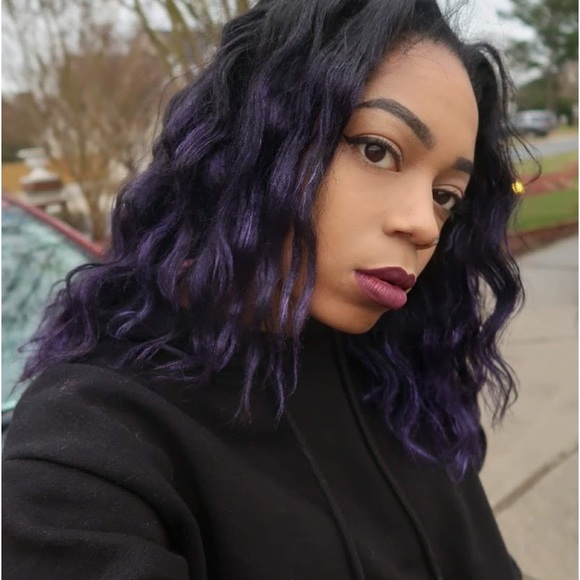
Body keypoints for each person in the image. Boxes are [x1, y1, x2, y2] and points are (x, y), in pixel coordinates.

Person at [3, 0, 526, 578]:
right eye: (377, 150)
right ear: (254, 138)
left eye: (446, 195)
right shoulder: (87, 451)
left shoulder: (404, 383)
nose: (424, 224)